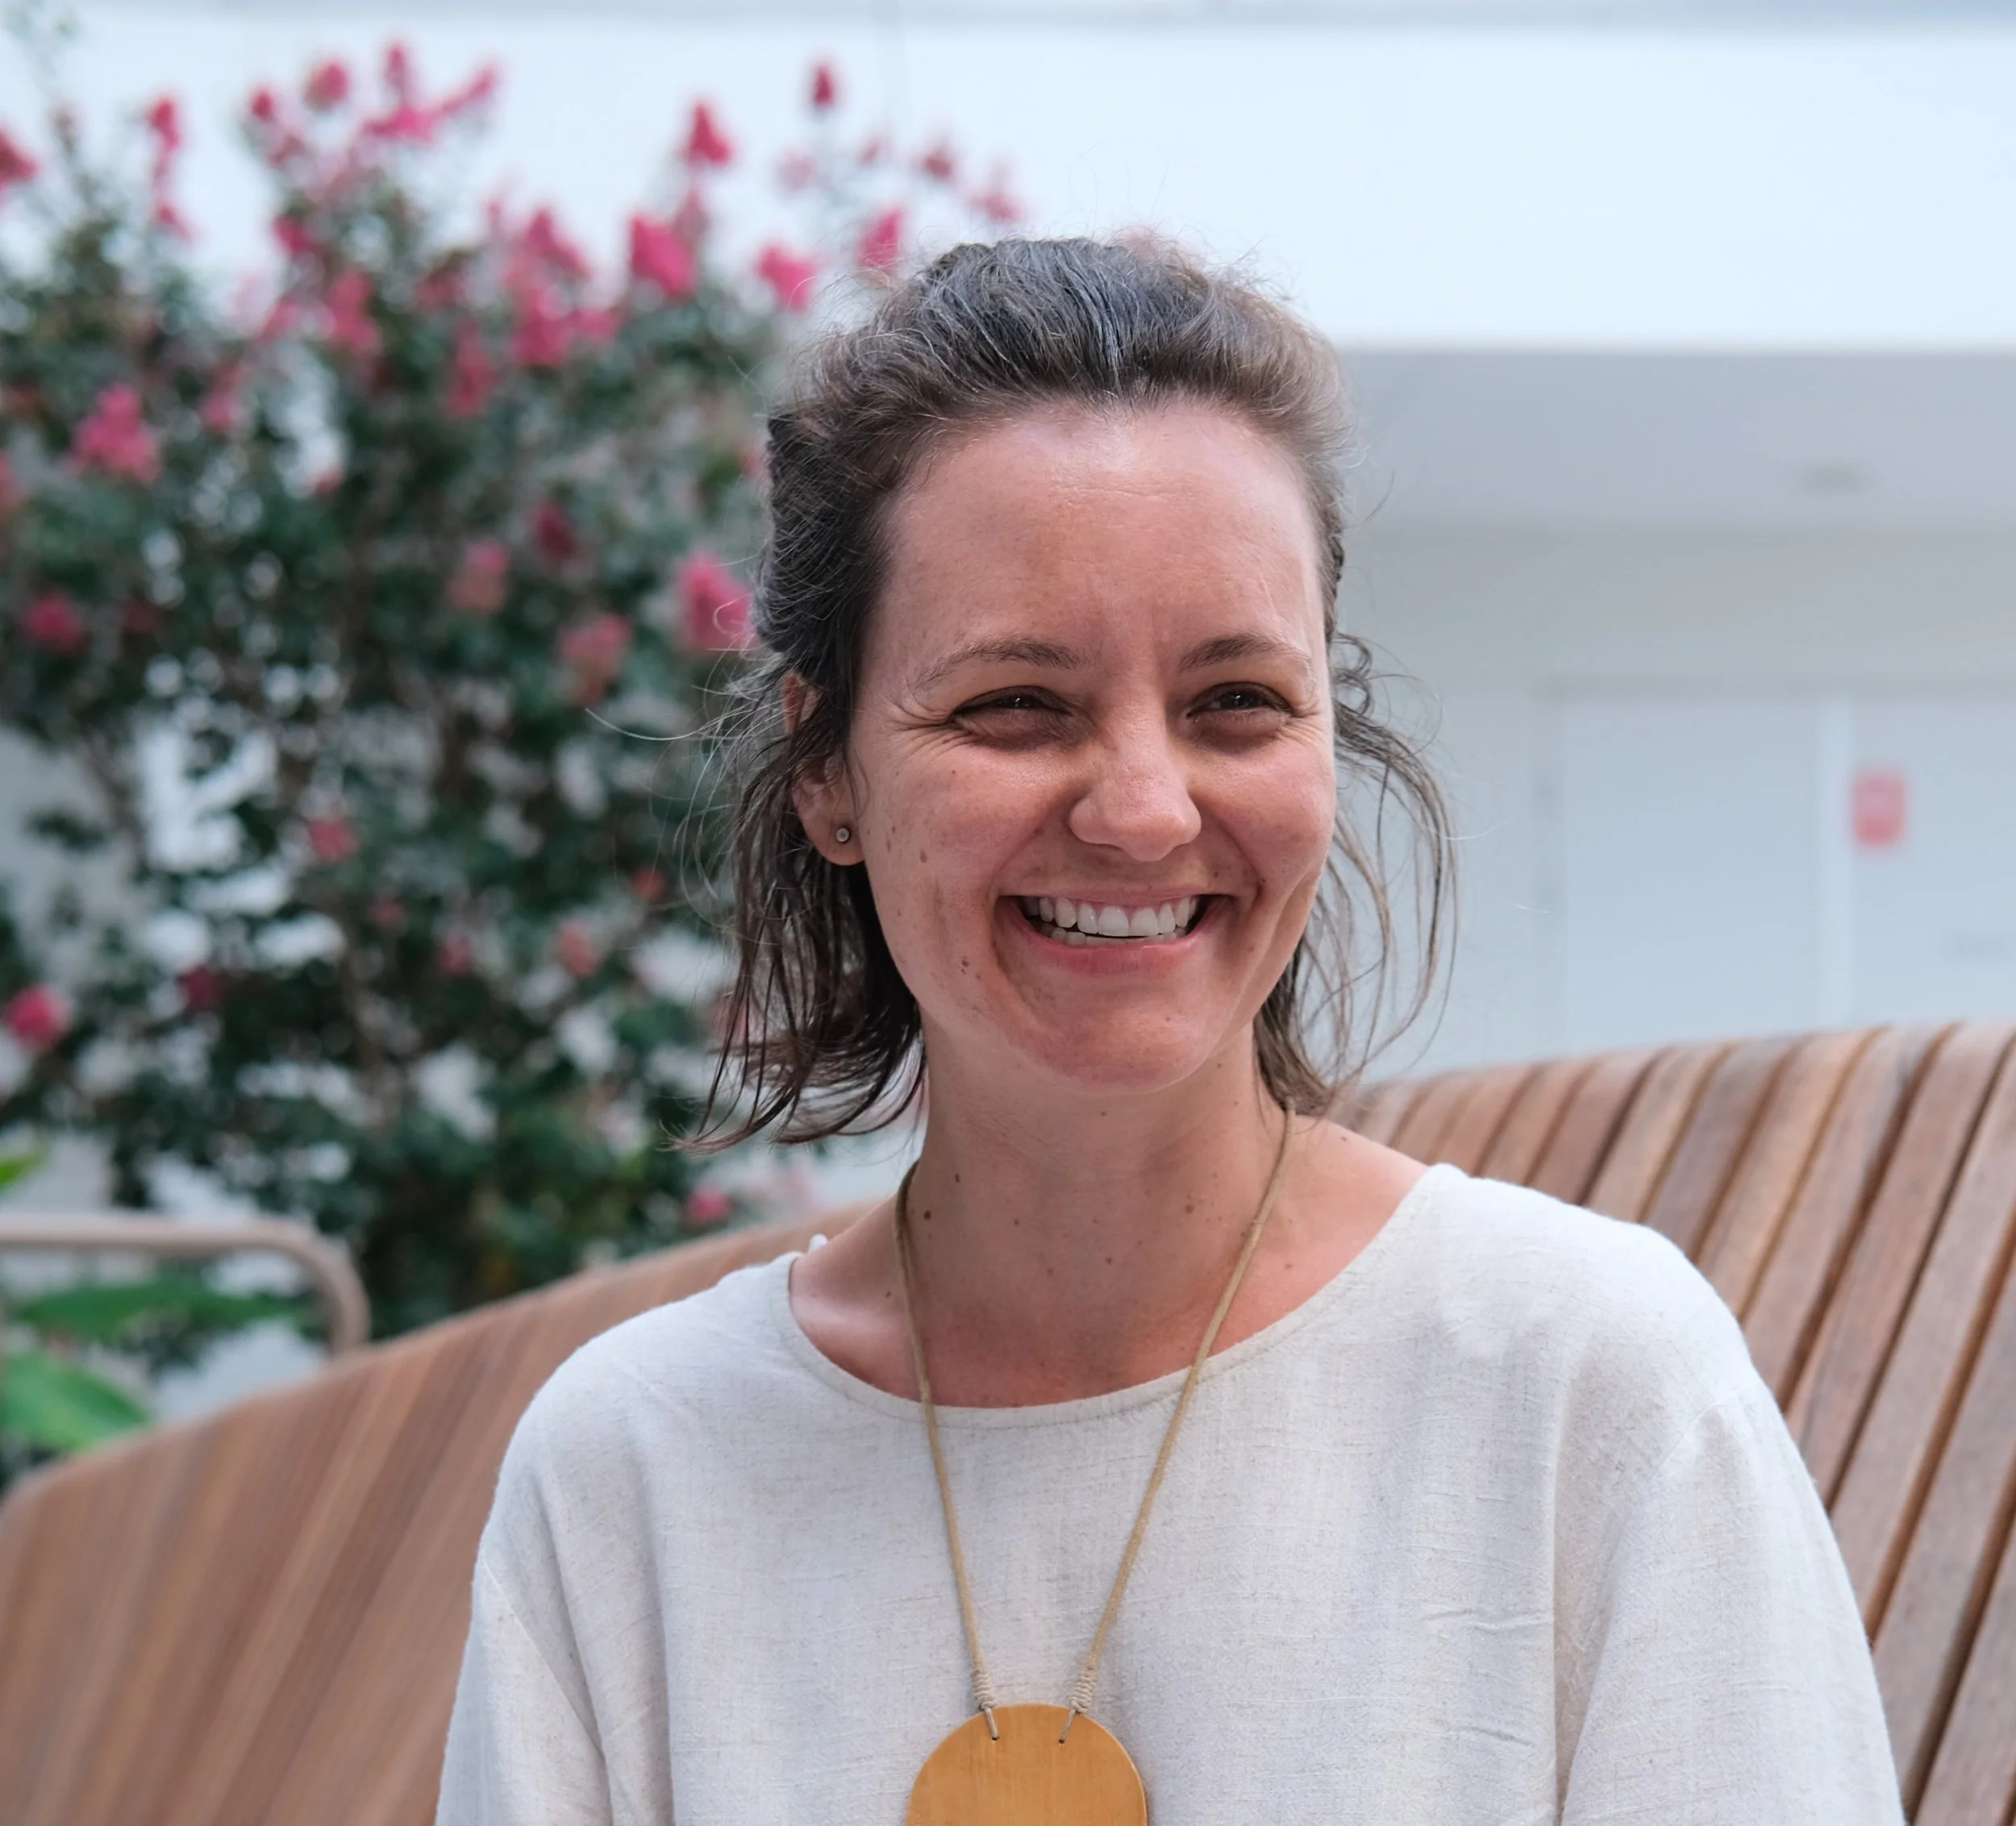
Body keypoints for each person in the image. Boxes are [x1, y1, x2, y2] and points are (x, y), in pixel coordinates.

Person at [436, 237, 1903, 1824]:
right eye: (1012, 704)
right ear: (826, 769)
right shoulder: (634, 1466)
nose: (1141, 810)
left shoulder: (1582, 1383)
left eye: (1234, 704)